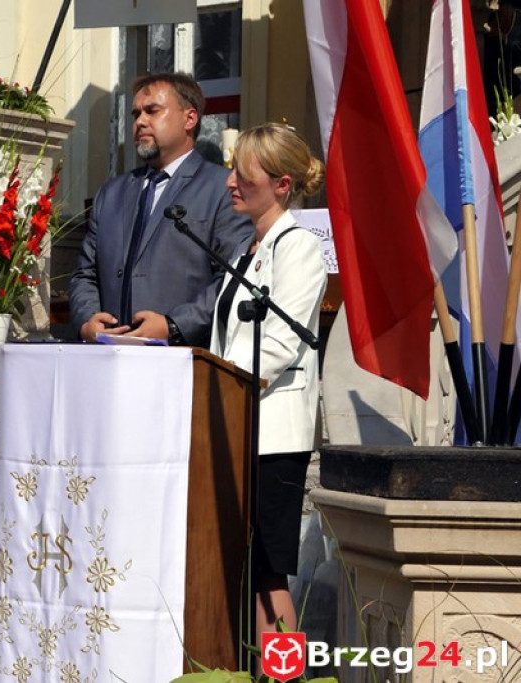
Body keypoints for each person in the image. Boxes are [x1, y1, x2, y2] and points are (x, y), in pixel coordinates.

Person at [208, 123, 326, 647]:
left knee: (270, 569)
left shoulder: (297, 248)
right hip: (239, 427)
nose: (230, 181)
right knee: (251, 567)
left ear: (281, 184)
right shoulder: (245, 253)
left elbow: (277, 344)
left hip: (273, 434)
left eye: (242, 172)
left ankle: (285, 677)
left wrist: (221, 385)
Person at [69, 71, 252, 347]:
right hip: (108, 358)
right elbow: (86, 273)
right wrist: (87, 321)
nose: (140, 121)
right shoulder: (111, 193)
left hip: (184, 360)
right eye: (135, 114)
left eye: (152, 111)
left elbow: (233, 276)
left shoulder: (224, 189)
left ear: (189, 119)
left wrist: (173, 325)